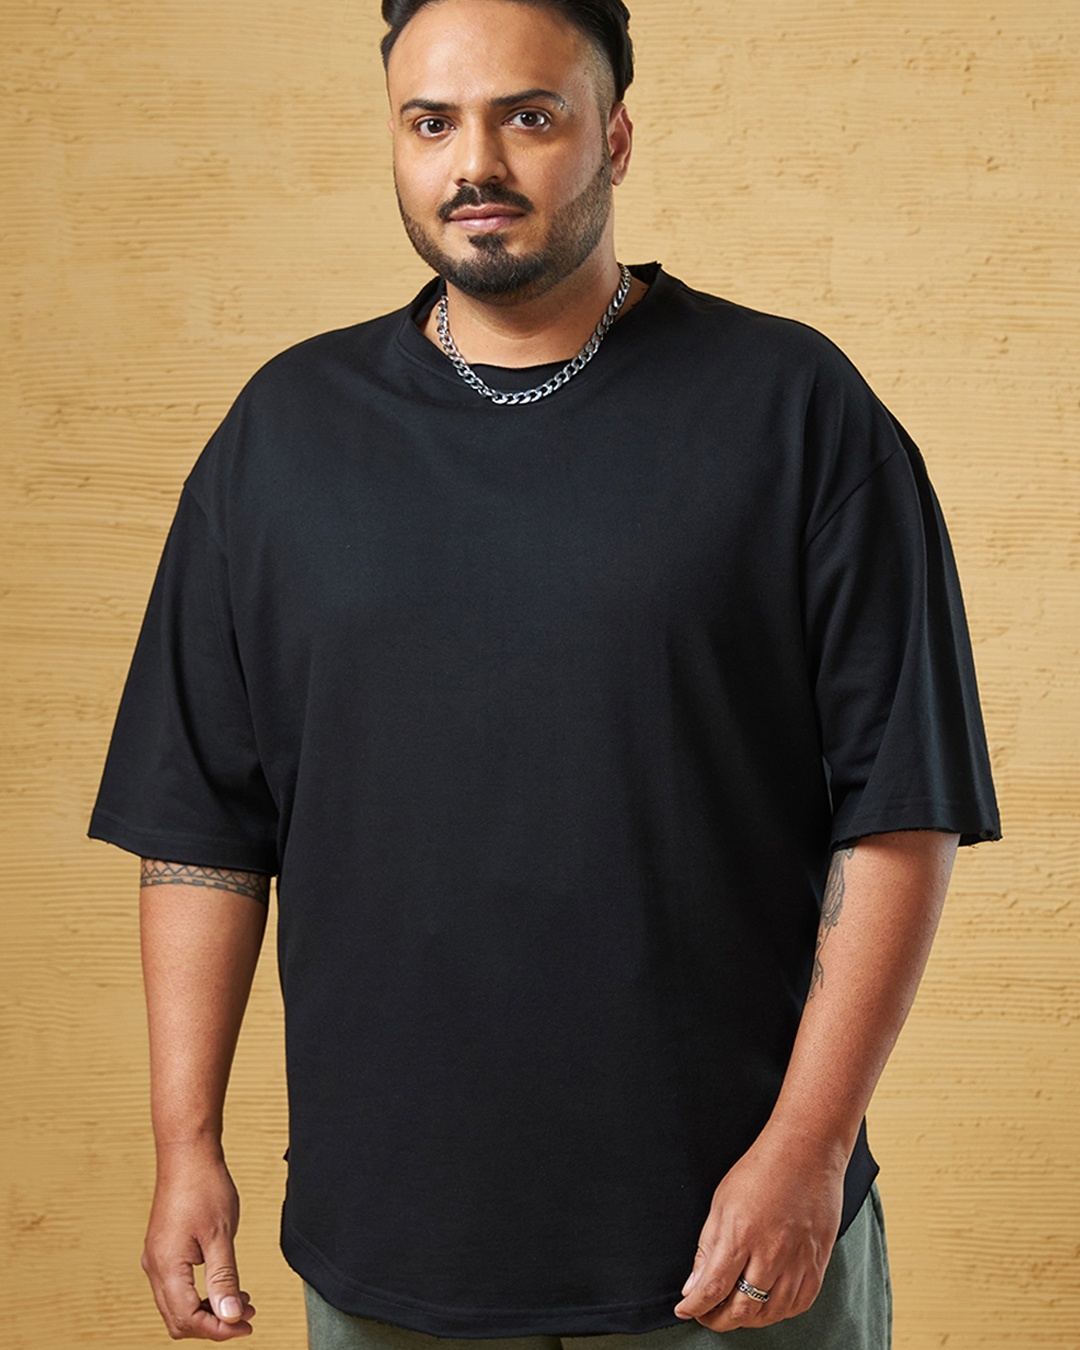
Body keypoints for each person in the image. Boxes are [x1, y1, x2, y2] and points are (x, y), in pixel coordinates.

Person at [90, 0, 1000, 1345]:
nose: (477, 164)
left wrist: (809, 1149)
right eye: (431, 123)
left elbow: (901, 811)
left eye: (529, 116)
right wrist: (186, 1147)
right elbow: (200, 832)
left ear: (613, 138)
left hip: (732, 1243)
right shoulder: (280, 437)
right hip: (390, 1244)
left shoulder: (797, 411)